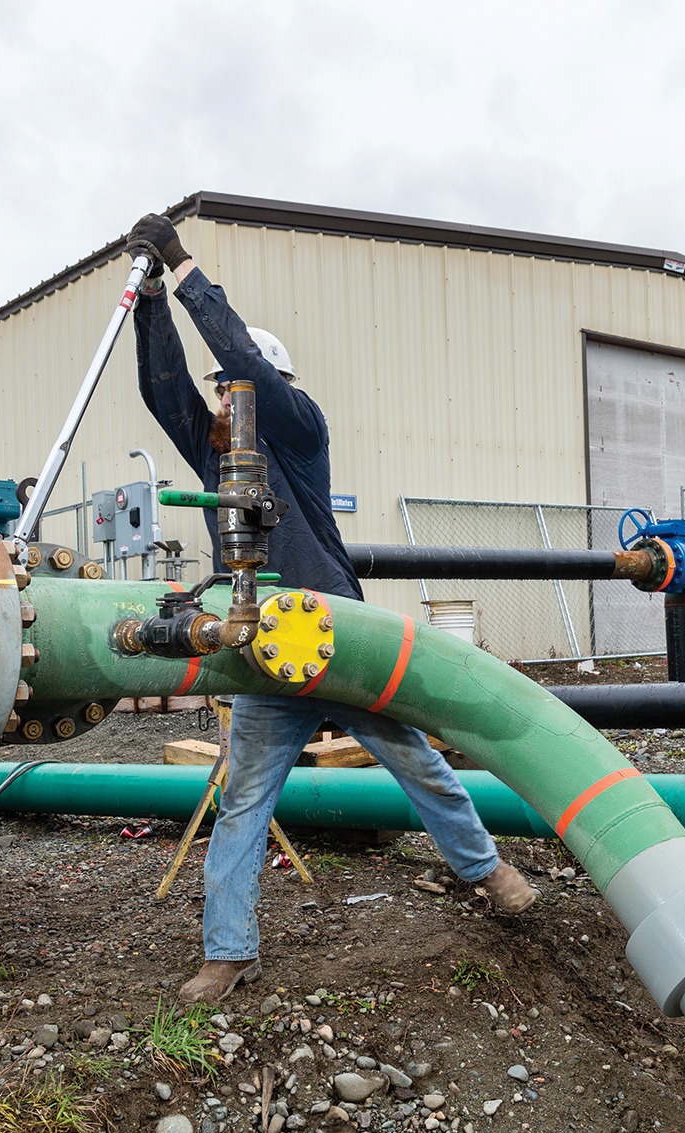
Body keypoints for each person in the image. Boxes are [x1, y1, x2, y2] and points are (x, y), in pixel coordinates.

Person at [126, 213, 536, 1005]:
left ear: (272, 392)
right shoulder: (217, 454)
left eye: (234, 391)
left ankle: (490, 871)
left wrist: (183, 270)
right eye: (219, 394)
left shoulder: (301, 432)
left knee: (419, 763)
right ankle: (229, 950)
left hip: (341, 639)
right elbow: (162, 387)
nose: (221, 402)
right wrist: (148, 300)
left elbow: (241, 359)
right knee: (243, 801)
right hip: (259, 649)